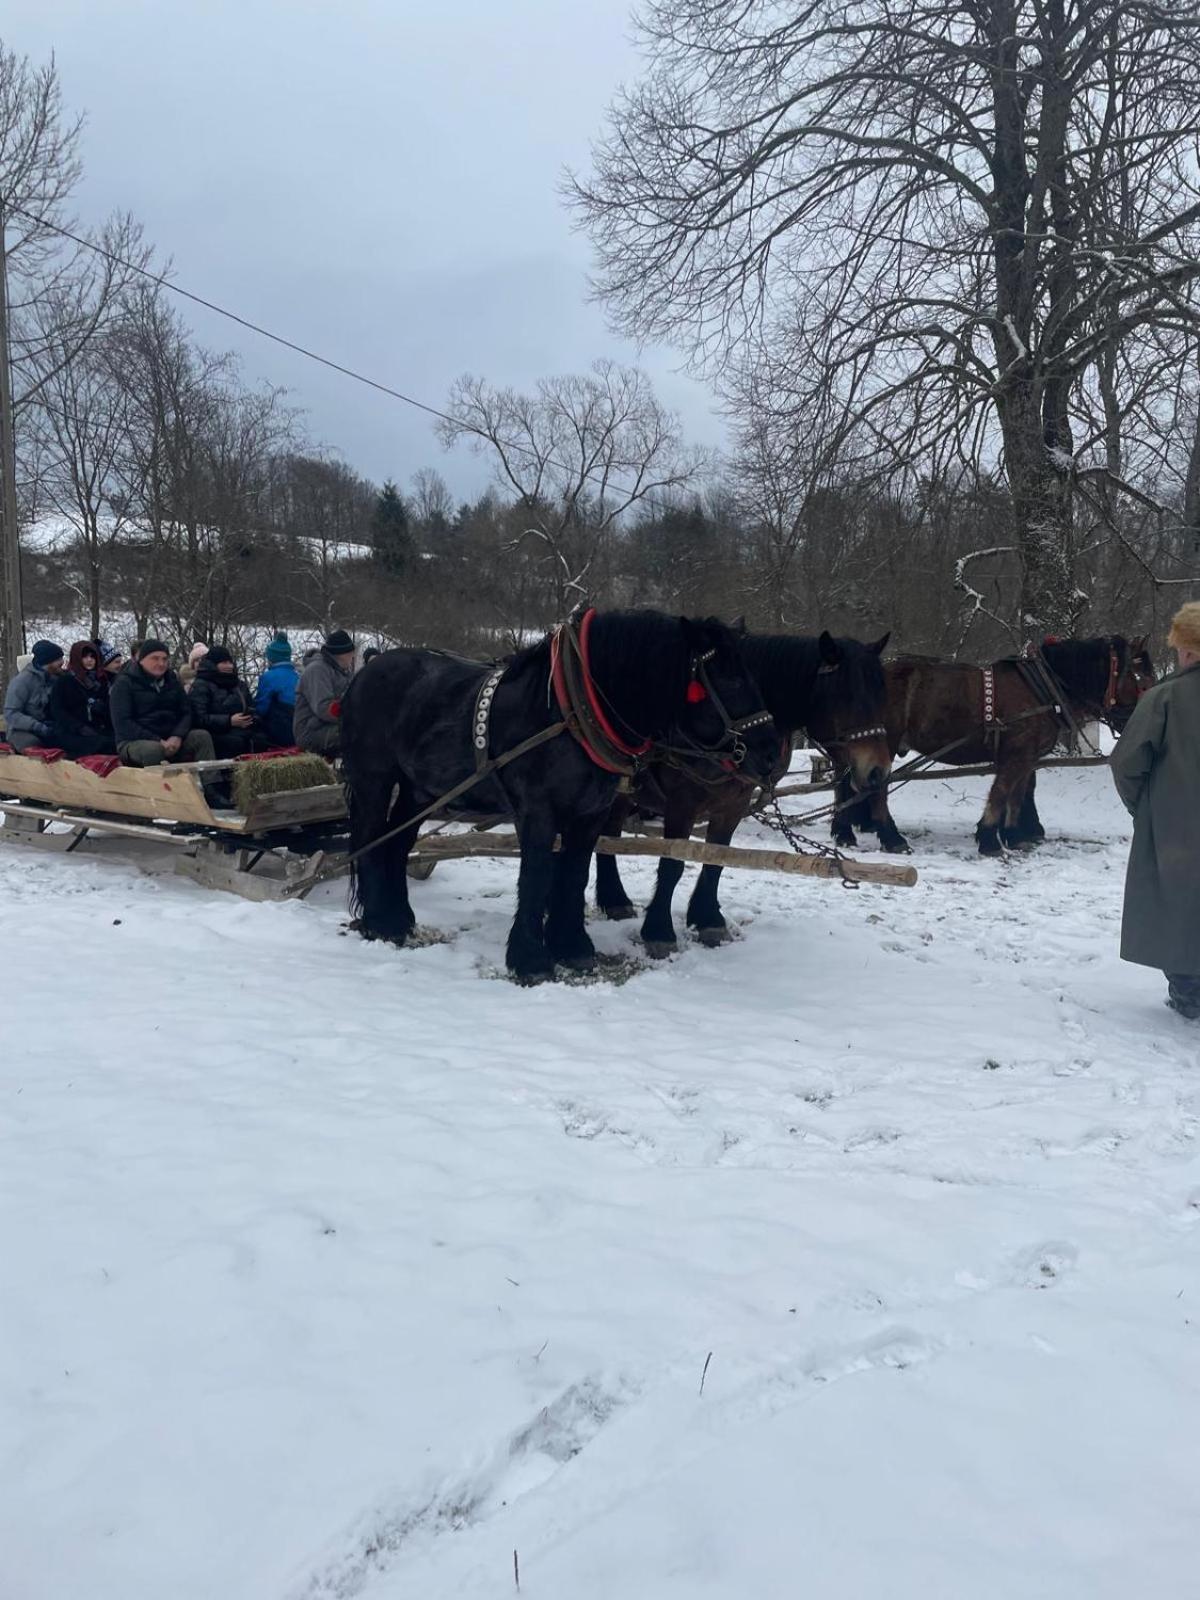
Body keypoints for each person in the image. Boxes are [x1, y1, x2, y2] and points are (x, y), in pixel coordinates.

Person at [1111, 601, 1200, 1019]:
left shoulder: (1164, 698)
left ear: (1186, 649)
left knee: (1176, 905)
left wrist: (1145, 808)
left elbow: (1127, 763)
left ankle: (1189, 995)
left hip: (1176, 828)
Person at [109, 639, 216, 767]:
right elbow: (123, 723)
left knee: (201, 737)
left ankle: (210, 783)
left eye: (164, 659)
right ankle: (158, 786)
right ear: (142, 660)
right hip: (134, 742)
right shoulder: (124, 684)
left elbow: (186, 712)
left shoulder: (172, 680)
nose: (161, 663)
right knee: (153, 750)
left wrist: (177, 735)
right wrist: (158, 741)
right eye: (155, 659)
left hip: (171, 739)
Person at [294, 628, 356, 756]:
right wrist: (354, 714)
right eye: (351, 653)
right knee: (358, 735)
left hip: (330, 727)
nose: (352, 656)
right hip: (312, 731)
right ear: (341, 654)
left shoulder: (344, 672)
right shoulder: (317, 670)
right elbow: (324, 708)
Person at [189, 645, 259, 758]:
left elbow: (252, 707)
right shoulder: (201, 685)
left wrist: (250, 718)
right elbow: (199, 718)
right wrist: (229, 721)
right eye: (224, 663)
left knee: (261, 739)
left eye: (230, 662)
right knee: (234, 742)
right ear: (213, 664)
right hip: (215, 734)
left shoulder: (239, 685)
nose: (229, 666)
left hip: (242, 730)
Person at [48, 641, 116, 757]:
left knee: (116, 742)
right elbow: (57, 711)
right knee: (101, 745)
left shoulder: (101, 681)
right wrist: (79, 727)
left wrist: (102, 709)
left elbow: (110, 710)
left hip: (96, 729)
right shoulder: (65, 681)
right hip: (70, 732)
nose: (89, 660)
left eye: (92, 657)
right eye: (85, 657)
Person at [3, 641, 65, 752]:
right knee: (34, 745)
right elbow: (11, 713)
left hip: (49, 727)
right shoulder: (22, 682)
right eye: (58, 660)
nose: (62, 663)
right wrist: (36, 726)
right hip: (21, 730)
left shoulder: (56, 678)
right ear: (48, 662)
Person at [254, 633, 300, 748]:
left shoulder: (268, 677)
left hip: (280, 731)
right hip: (299, 729)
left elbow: (261, 708)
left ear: (271, 657)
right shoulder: (299, 676)